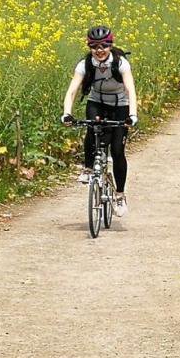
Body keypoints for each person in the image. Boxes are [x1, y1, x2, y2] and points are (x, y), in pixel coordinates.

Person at [61, 25, 138, 217]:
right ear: (89, 47)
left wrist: (133, 114)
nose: (99, 50)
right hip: (97, 102)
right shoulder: (84, 64)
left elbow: (130, 89)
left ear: (111, 45)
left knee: (118, 150)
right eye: (94, 46)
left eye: (104, 45)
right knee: (90, 130)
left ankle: (119, 195)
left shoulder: (120, 63)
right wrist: (67, 113)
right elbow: (72, 91)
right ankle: (88, 168)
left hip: (120, 105)